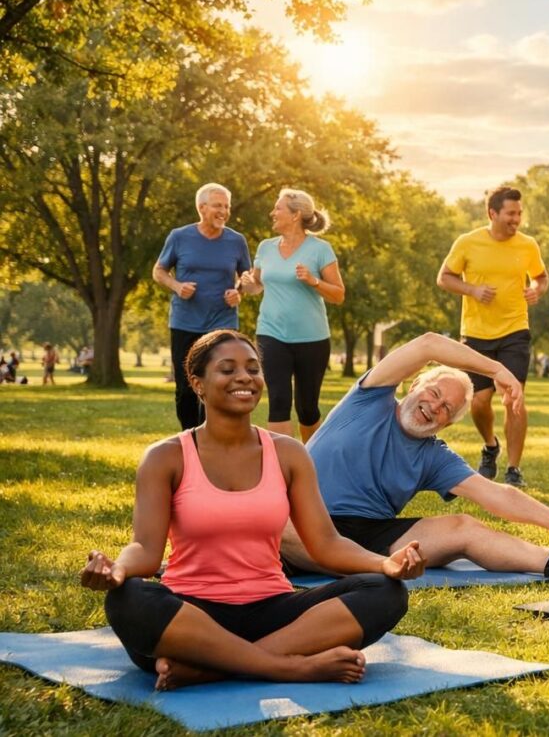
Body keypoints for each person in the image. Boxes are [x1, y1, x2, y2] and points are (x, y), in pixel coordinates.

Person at [80, 330, 423, 691]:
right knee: (128, 599)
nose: (244, 377)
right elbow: (146, 552)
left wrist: (384, 564)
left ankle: (209, 669)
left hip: (272, 610)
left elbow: (325, 543)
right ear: (198, 383)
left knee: (386, 591)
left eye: (253, 369)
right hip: (191, 615)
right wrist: (118, 569)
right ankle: (289, 667)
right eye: (227, 370)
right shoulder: (166, 456)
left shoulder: (288, 453)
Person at [278, 331, 549, 580]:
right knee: (281, 521)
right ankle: (371, 566)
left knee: (463, 527)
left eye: (446, 409)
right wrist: (495, 370)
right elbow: (428, 344)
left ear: (447, 424)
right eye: (434, 392)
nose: (434, 407)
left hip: (368, 534)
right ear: (413, 386)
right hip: (302, 518)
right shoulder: (369, 398)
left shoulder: (434, 457)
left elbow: (497, 494)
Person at [437, 186, 547, 487]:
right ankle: (490, 446)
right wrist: (472, 290)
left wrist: (536, 290)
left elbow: (542, 276)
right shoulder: (468, 242)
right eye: (511, 213)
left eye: (519, 213)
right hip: (476, 333)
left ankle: (513, 469)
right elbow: (444, 277)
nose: (516, 219)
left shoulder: (527, 245)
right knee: (479, 401)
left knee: (513, 398)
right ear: (493, 213)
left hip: (514, 329)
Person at [238, 188, 344, 443]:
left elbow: (339, 295)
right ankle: (282, 469)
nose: (272, 213)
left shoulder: (320, 249)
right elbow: (257, 286)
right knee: (278, 401)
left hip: (312, 338)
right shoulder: (266, 247)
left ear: (296, 215)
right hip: (271, 333)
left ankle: (312, 460)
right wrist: (247, 282)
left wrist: (313, 281)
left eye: (278, 208)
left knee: (307, 409)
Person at [154, 183, 252, 429]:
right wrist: (177, 286)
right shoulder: (179, 237)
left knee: (221, 383)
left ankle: (215, 436)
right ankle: (191, 438)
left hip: (223, 324)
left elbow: (247, 277)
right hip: (186, 322)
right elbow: (159, 271)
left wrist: (238, 291)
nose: (224, 211)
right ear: (202, 208)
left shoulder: (236, 240)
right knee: (187, 388)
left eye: (227, 206)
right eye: (218, 205)